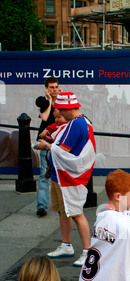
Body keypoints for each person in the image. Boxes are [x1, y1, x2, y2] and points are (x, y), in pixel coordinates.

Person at [36, 91, 96, 267]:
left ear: (68, 108)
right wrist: (50, 135)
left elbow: (62, 150)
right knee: (64, 212)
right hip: (61, 176)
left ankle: (87, 251)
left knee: (76, 213)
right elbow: (60, 138)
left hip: (69, 177)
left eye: (61, 110)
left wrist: (46, 145)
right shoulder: (78, 122)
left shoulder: (77, 124)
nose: (59, 114)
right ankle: (66, 245)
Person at [35, 77, 61, 217]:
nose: (54, 90)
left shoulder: (62, 101)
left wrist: (59, 98)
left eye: (56, 87)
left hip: (58, 142)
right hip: (45, 142)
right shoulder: (43, 101)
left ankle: (62, 204)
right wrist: (50, 101)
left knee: (60, 174)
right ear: (46, 88)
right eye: (51, 87)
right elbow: (45, 118)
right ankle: (42, 206)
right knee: (44, 175)